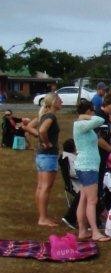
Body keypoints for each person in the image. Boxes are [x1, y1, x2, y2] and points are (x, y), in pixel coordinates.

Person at [73, 99, 111, 242]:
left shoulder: (83, 125)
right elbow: (100, 119)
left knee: (84, 199)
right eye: (92, 110)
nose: (94, 112)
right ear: (88, 110)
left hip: (88, 166)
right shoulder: (81, 124)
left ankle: (82, 230)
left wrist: (84, 116)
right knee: (92, 201)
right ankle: (95, 232)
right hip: (87, 167)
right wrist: (84, 116)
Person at [24, 93, 62, 226]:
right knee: (45, 187)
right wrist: (46, 142)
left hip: (41, 156)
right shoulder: (50, 116)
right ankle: (43, 218)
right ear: (53, 102)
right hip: (48, 155)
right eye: (59, 100)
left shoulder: (43, 115)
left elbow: (28, 127)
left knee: (41, 187)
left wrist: (40, 139)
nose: (61, 102)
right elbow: (42, 130)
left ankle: (43, 216)